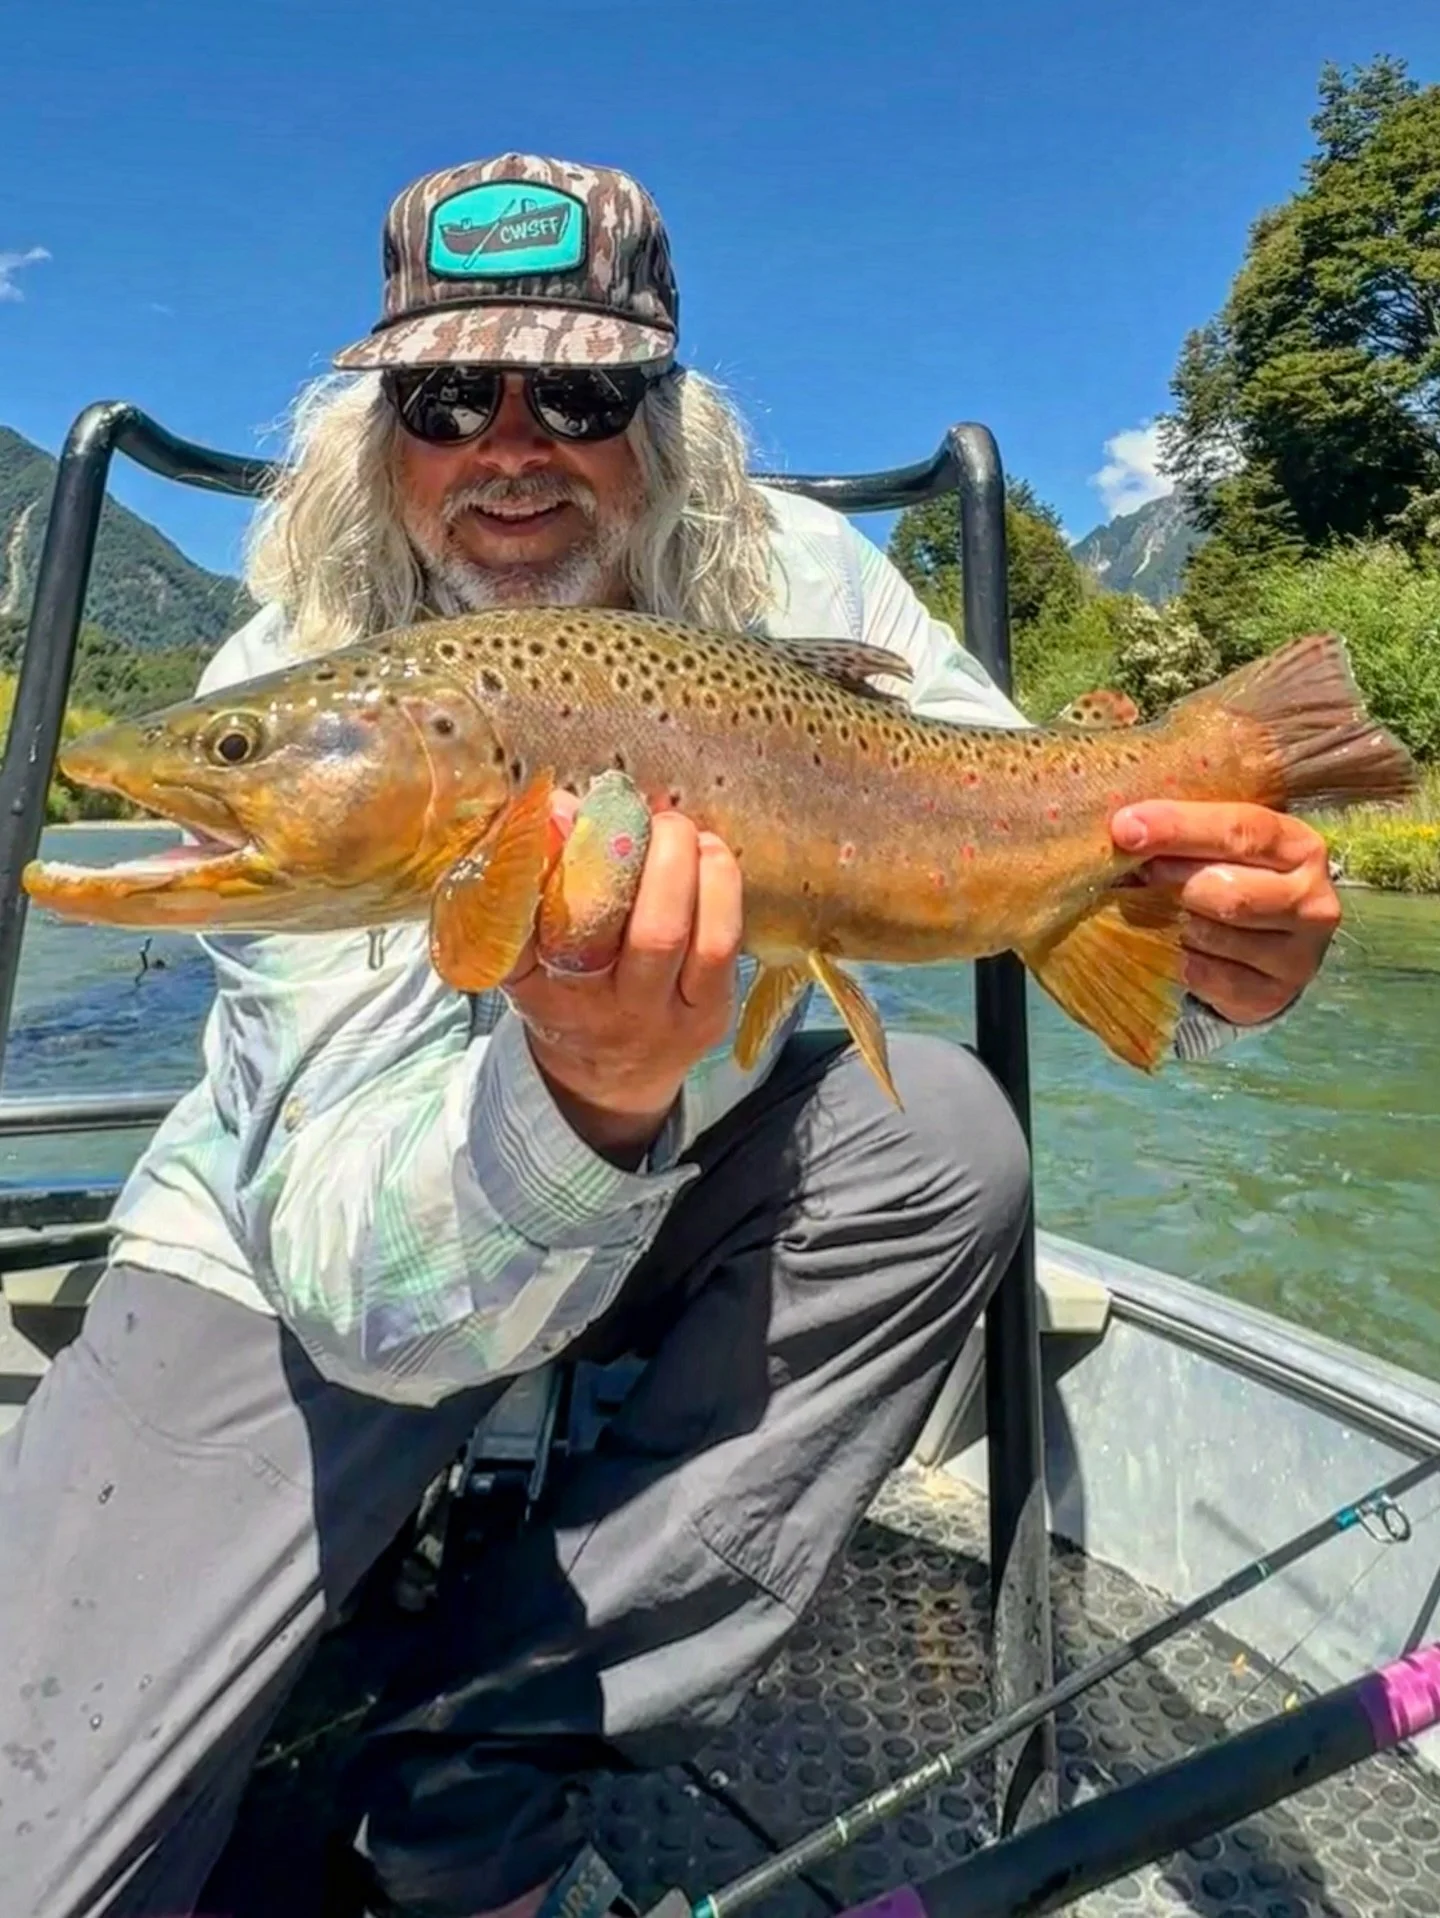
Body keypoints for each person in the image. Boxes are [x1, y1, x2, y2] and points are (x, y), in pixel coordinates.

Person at [0, 153, 1343, 1918]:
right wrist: (584, 1081)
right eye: (443, 395)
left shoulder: (800, 572)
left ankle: (490, 1762)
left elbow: (1043, 828)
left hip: (680, 1184)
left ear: (666, 411)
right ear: (379, 426)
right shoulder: (315, 645)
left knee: (943, 1139)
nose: (511, 442)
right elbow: (358, 1296)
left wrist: (1217, 952)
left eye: (579, 387)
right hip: (295, 1252)